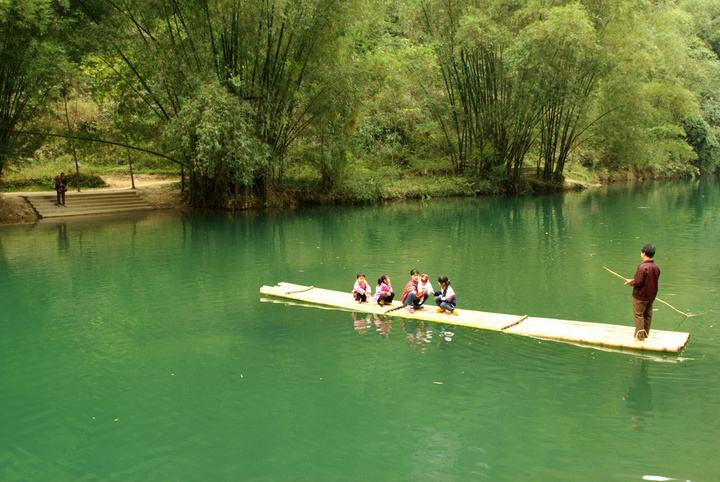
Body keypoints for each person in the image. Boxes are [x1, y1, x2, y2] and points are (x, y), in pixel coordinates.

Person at [624, 244, 661, 340]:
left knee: (639, 315)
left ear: (644, 253)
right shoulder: (656, 267)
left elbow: (639, 282)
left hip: (640, 296)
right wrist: (633, 280)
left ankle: (640, 337)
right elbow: (647, 280)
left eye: (641, 252)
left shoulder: (642, 267)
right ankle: (645, 334)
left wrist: (631, 282)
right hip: (651, 296)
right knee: (647, 314)